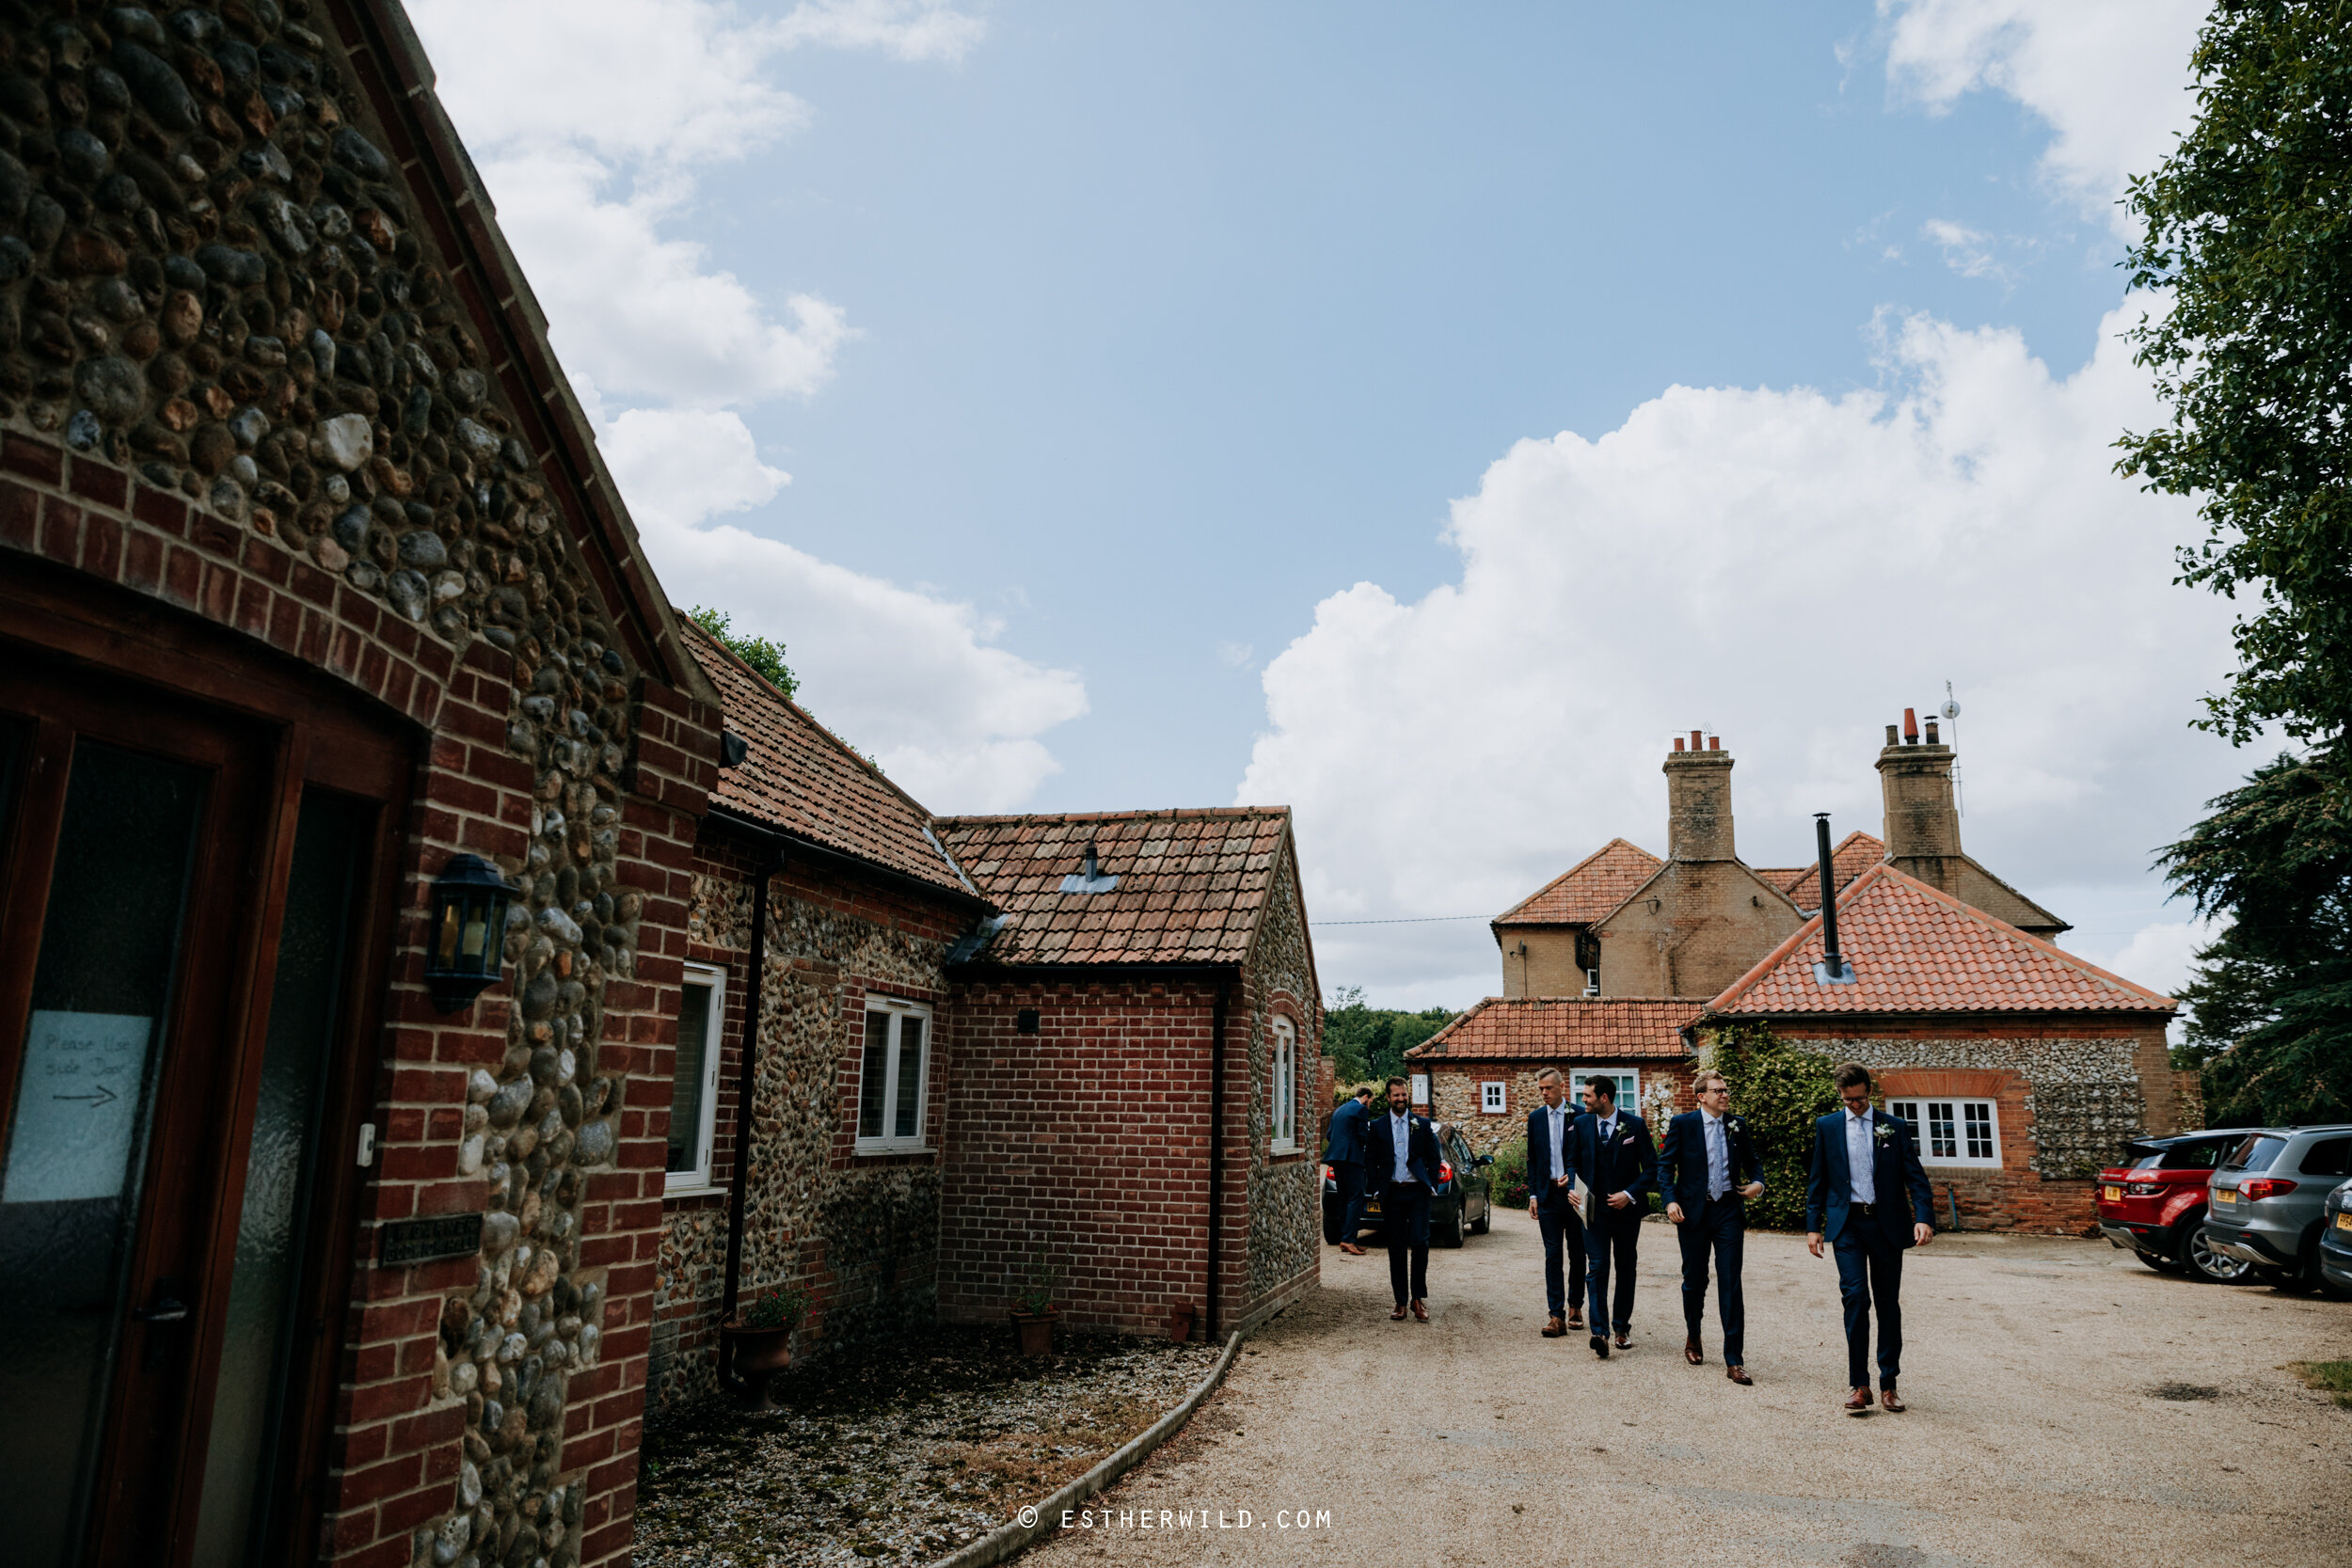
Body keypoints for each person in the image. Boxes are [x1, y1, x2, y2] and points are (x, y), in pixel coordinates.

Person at [1805, 1062, 1936, 1415]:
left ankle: (1889, 1383)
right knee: (1855, 1298)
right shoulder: (1828, 1126)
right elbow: (1818, 1178)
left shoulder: (1893, 1127)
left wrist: (1923, 1217)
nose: (1856, 1106)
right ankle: (1859, 1385)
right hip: (1847, 1225)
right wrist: (1813, 1226)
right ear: (1840, 1096)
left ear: (1869, 1091)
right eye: (1849, 1101)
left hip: (1887, 1225)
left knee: (1888, 1304)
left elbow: (1916, 1177)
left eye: (1860, 1099)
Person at [1657, 1069, 1766, 1383]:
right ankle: (1694, 1334)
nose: (1725, 1094)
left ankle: (1734, 1359)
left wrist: (1758, 1183)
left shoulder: (1737, 1126)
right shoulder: (1683, 1124)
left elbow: (1754, 1162)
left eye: (1726, 1089)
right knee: (1694, 1280)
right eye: (1718, 1090)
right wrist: (1670, 1201)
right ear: (1701, 1096)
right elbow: (1666, 1168)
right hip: (1692, 1212)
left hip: (1729, 1210)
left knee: (1731, 1281)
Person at [1569, 1076, 1654, 1358]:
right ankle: (1600, 1332)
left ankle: (1621, 1328)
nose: (1583, 1101)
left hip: (1627, 1212)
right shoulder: (1581, 1124)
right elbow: (1572, 1162)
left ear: (1604, 1097)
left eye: (1587, 1096)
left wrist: (1628, 1194)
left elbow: (1652, 1169)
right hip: (1593, 1211)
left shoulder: (1635, 1125)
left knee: (1626, 1267)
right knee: (1597, 1268)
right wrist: (1572, 1188)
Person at [1362, 1074, 1444, 1323]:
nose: (1401, 1099)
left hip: (1417, 1191)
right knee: (1396, 1247)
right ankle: (1400, 1301)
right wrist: (1377, 1188)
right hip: (1392, 1193)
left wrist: (1430, 1182)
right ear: (1388, 1097)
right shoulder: (1377, 1127)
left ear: (1408, 1096)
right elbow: (1370, 1160)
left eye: (1404, 1094)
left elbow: (1434, 1157)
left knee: (1420, 1242)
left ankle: (1418, 1299)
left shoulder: (1422, 1123)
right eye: (1396, 1095)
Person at [1523, 1068, 1586, 1338]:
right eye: (1541, 1089)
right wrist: (1533, 1195)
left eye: (1548, 1088)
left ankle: (1575, 1306)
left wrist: (1573, 1180)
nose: (1544, 1093)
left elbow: (1587, 1156)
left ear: (1562, 1088)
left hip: (1574, 1195)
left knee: (1577, 1252)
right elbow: (1532, 1159)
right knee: (1552, 1255)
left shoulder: (1581, 1115)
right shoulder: (1536, 1118)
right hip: (1547, 1195)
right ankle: (1555, 1315)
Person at [1325, 1084, 1375, 1255]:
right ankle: (1349, 1240)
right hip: (1352, 1159)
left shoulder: (1339, 1110)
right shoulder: (1361, 1110)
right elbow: (1363, 1136)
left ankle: (1345, 1238)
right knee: (1356, 1197)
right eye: (1371, 1102)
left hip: (1336, 1158)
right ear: (1366, 1098)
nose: (1370, 1105)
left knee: (1344, 1198)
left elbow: (1329, 1135)